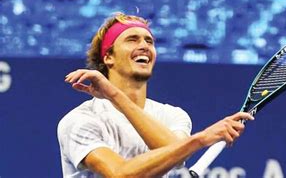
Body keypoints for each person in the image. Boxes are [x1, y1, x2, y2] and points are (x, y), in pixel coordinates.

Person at [57, 13, 253, 177]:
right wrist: (202, 138)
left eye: (149, 41)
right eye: (132, 39)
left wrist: (197, 141)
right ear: (108, 57)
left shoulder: (172, 115)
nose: (144, 46)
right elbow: (120, 174)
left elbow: (176, 154)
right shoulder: (79, 121)